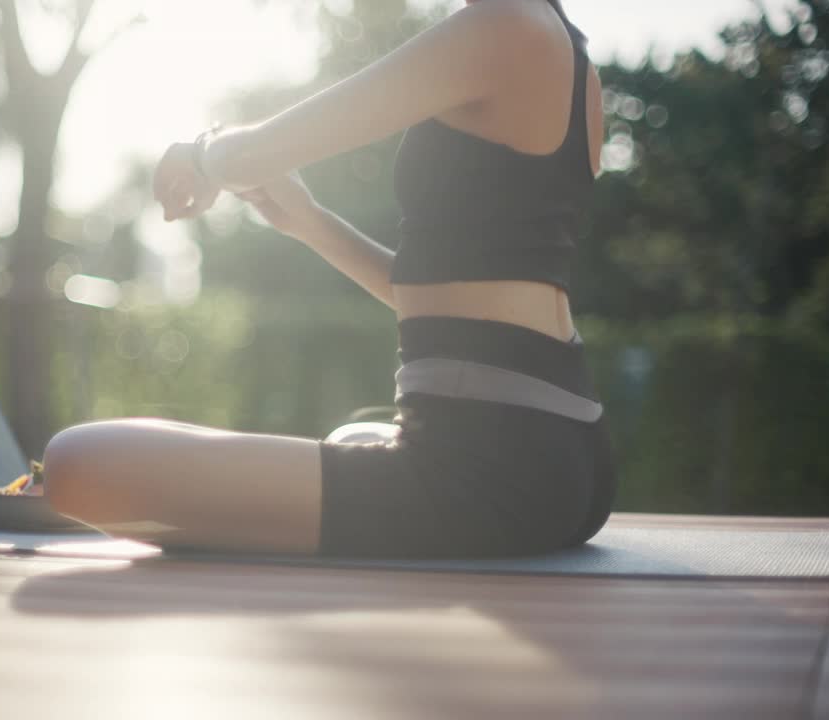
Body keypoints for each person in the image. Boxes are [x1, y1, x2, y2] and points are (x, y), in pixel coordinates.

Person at [40, 0, 617, 559]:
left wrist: (202, 151)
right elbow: (451, 298)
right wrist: (310, 222)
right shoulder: (572, 62)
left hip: (485, 464)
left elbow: (252, 154)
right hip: (564, 454)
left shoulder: (505, 23)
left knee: (76, 464)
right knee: (351, 439)